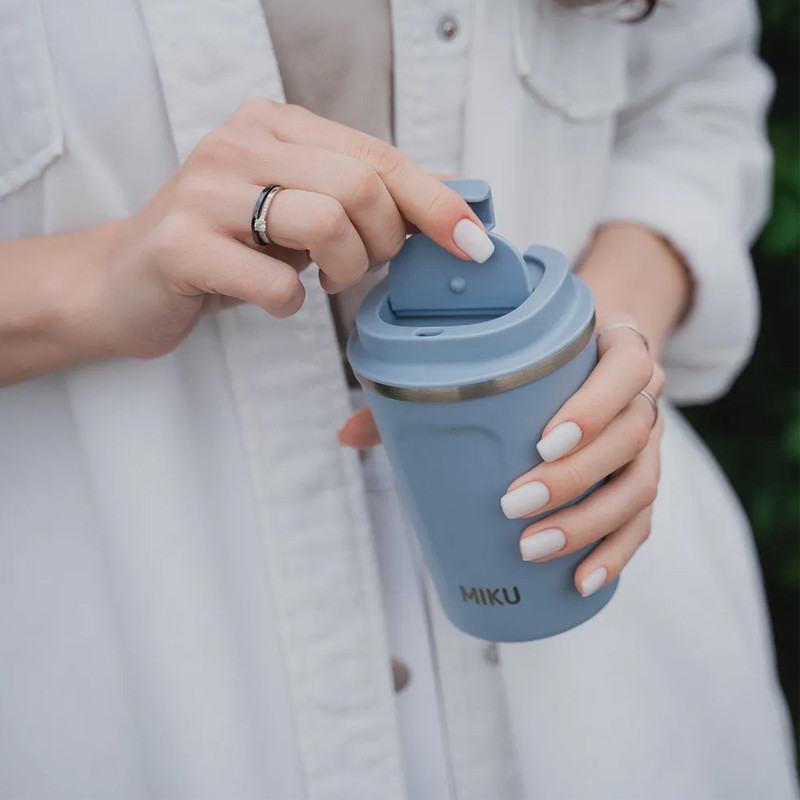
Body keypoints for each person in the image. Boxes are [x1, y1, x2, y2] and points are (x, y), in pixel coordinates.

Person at [0, 0, 796, 797]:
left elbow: (695, 102)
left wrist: (597, 340)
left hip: (610, 632)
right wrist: (94, 275)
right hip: (142, 637)